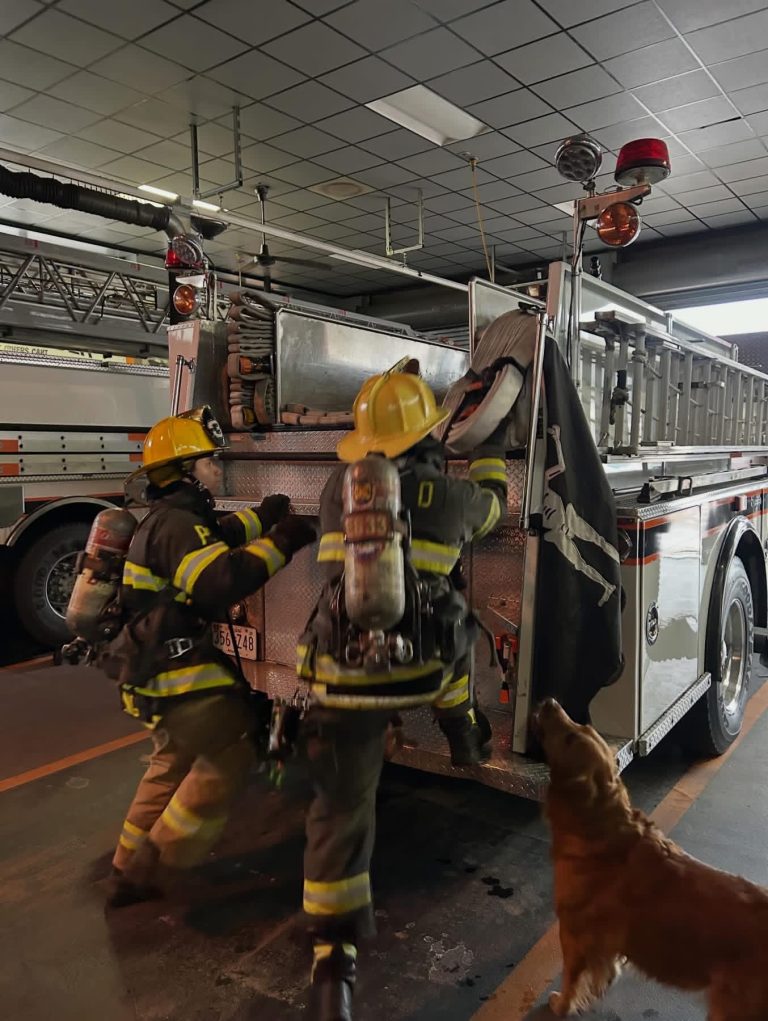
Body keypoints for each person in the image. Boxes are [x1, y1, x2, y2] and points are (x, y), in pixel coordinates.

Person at [295, 368, 507, 1019]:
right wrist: (492, 447)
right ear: (425, 433)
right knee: (457, 646)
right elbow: (494, 508)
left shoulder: (337, 489)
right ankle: (464, 733)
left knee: (340, 811)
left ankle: (333, 967)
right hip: (423, 668)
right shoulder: (445, 492)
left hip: (343, 673)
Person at [108, 406, 315, 908]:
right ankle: (153, 860)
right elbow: (220, 579)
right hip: (173, 672)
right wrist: (283, 542)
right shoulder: (176, 525)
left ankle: (124, 862)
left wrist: (264, 516)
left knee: (171, 761)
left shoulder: (173, 521)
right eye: (210, 462)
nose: (218, 469)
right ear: (186, 471)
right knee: (231, 754)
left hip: (147, 668)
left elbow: (216, 540)